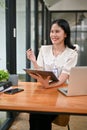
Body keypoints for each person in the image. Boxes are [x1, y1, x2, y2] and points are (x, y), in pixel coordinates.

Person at [26, 19, 78, 130]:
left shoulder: (72, 53)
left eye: (57, 31)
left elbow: (62, 80)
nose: (53, 35)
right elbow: (40, 71)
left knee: (42, 115)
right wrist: (34, 61)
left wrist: (48, 85)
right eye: (52, 31)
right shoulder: (44, 49)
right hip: (43, 93)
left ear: (65, 34)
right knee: (34, 113)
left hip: (60, 94)